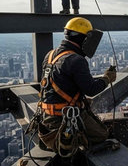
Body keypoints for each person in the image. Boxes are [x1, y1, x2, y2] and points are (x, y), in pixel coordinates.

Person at [36, 17, 117, 156]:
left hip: (46, 115)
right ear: (84, 39)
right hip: (64, 117)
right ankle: (77, 140)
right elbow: (91, 89)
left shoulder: (50, 55)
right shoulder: (76, 60)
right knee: (102, 134)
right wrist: (107, 78)